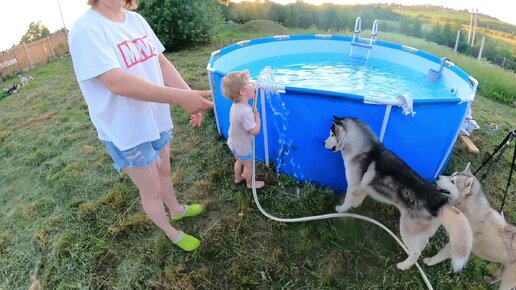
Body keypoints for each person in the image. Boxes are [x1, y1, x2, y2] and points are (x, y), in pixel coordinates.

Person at [68, 0, 213, 252]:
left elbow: (162, 63)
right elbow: (115, 82)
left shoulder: (136, 20)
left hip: (154, 118)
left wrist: (189, 96)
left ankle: (177, 210)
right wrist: (180, 98)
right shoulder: (85, 28)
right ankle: (171, 232)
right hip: (126, 130)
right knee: (152, 188)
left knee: (165, 169)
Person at [221, 71, 265, 189]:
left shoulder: (237, 106)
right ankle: (250, 183)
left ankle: (238, 178)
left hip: (233, 142)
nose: (253, 84)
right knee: (248, 166)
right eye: (250, 83)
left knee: (239, 161)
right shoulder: (245, 112)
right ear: (242, 91)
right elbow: (254, 131)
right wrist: (257, 117)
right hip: (243, 146)